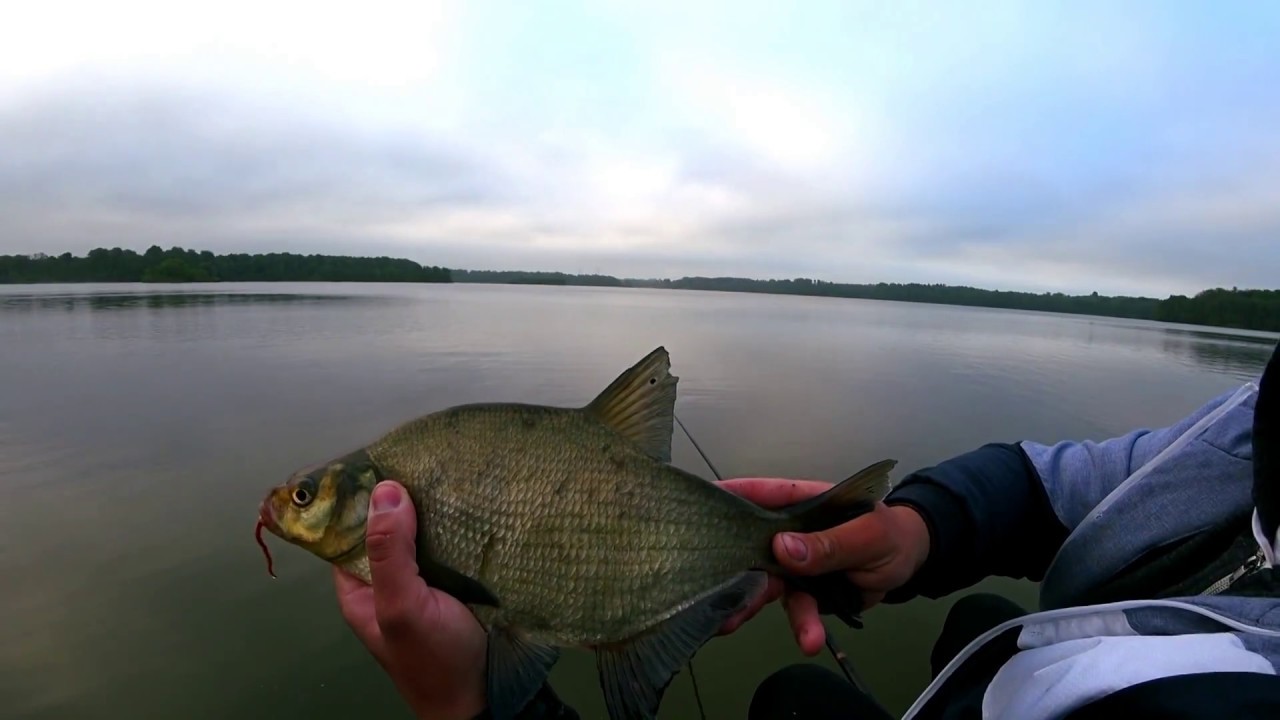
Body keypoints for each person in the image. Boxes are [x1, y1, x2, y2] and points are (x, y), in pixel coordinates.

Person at [332, 340, 1280, 719]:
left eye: (305, 500)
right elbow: (1089, 483)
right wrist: (917, 529)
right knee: (963, 629)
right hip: (1047, 667)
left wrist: (467, 705)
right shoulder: (1257, 424)